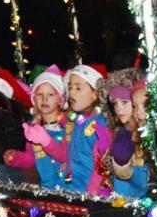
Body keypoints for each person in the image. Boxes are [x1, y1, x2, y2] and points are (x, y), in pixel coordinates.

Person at [24, 64, 113, 195]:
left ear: (95, 94)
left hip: (87, 197)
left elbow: (100, 169)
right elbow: (65, 152)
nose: (71, 92)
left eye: (78, 88)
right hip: (69, 192)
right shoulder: (77, 123)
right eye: (70, 87)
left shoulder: (99, 126)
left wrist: (90, 198)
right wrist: (45, 140)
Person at [3, 65, 69, 189]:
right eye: (39, 94)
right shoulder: (34, 129)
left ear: (60, 100)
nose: (44, 99)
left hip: (69, 187)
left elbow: (68, 154)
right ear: (34, 99)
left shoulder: (68, 126)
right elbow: (31, 158)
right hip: (47, 188)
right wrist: (16, 158)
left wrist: (46, 141)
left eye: (50, 94)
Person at [97, 68, 149, 198]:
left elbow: (143, 181)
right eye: (115, 104)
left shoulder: (145, 134)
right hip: (121, 200)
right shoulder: (120, 132)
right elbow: (121, 176)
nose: (119, 109)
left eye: (124, 102)